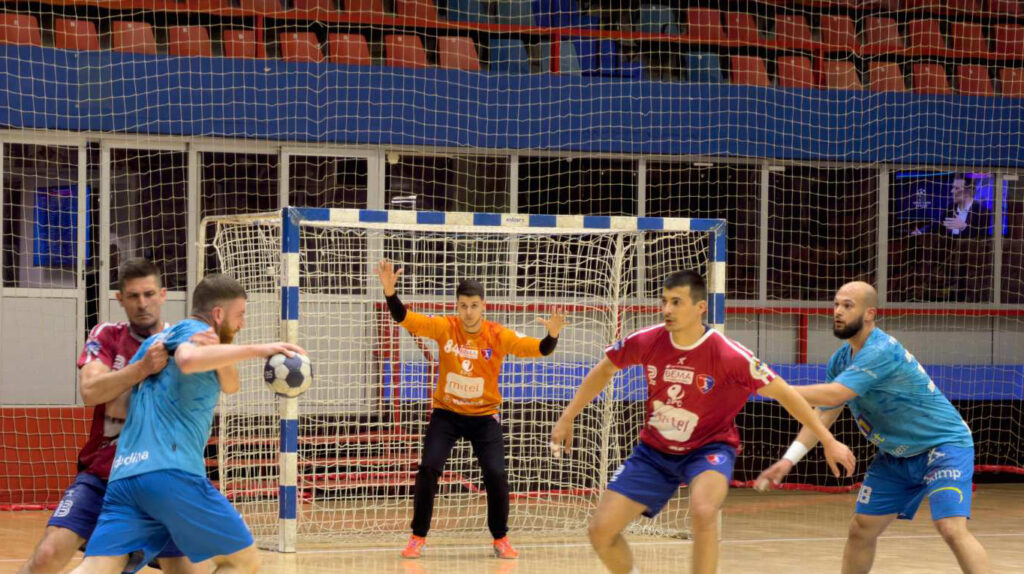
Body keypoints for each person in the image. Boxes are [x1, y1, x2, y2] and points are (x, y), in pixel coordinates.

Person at [550, 270, 856, 574]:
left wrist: (828, 440)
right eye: (664, 301)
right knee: (600, 531)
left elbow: (786, 394)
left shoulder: (729, 355)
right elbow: (605, 369)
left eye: (676, 302)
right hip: (654, 451)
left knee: (703, 510)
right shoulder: (647, 340)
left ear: (700, 308)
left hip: (709, 449)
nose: (667, 309)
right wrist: (567, 416)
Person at [69, 273, 306, 574]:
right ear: (218, 314)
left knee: (98, 567)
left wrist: (224, 354)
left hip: (125, 476)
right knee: (242, 561)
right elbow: (187, 360)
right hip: (171, 471)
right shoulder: (193, 332)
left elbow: (231, 385)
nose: (242, 324)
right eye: (240, 315)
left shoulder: (157, 341)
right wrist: (261, 350)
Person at [755, 281, 990, 574]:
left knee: (950, 527)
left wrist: (773, 389)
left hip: (942, 446)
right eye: (836, 304)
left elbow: (836, 394)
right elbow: (824, 413)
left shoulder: (880, 350)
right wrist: (788, 460)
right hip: (896, 456)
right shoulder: (840, 359)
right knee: (861, 528)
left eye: (847, 306)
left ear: (870, 314)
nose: (838, 311)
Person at [18, 259, 205, 574]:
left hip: (164, 482)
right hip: (103, 475)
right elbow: (90, 391)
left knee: (190, 569)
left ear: (163, 295)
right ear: (120, 299)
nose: (142, 303)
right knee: (47, 554)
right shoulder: (107, 335)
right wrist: (141, 368)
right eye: (133, 296)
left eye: (149, 294)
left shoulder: (183, 343)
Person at [375, 259, 565, 560]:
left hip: (484, 418)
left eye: (474, 306)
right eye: (463, 306)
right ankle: (417, 536)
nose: (468, 312)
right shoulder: (445, 327)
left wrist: (552, 335)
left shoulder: (497, 334)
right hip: (447, 415)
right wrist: (390, 292)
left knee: (496, 474)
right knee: (428, 469)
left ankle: (500, 537)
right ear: (457, 306)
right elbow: (406, 318)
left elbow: (538, 349)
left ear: (483, 306)